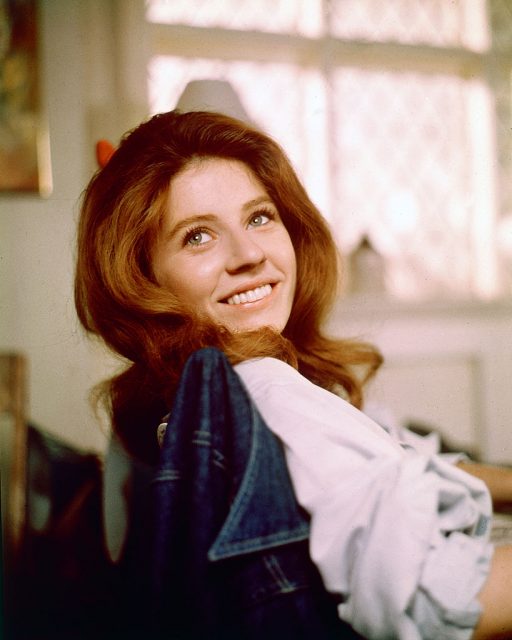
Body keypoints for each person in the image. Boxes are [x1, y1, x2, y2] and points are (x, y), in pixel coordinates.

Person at [75, 109, 512, 639]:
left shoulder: (195, 401)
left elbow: (391, 457)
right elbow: (438, 598)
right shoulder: (264, 387)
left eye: (259, 217)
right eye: (198, 237)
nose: (250, 254)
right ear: (141, 278)